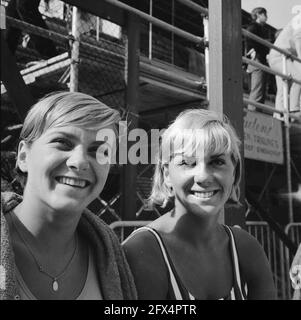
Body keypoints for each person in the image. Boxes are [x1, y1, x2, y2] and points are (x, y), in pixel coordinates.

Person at [123, 109, 276, 300]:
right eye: (187, 163)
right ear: (167, 174)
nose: (203, 176)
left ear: (234, 173)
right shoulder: (141, 251)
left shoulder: (246, 248)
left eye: (217, 161)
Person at [0, 91, 137, 300]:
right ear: (23, 156)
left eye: (98, 151)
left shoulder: (110, 254)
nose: (80, 161)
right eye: (63, 143)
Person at [268, 6, 301, 119]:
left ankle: (278, 115)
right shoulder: (299, 19)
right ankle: (294, 108)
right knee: (299, 78)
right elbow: (298, 39)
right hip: (280, 56)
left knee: (282, 87)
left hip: (280, 56)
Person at [245, 7, 270, 109]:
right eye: (265, 14)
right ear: (259, 14)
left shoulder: (261, 28)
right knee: (257, 89)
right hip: (257, 59)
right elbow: (249, 39)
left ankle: (257, 113)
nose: (267, 17)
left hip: (261, 60)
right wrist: (252, 50)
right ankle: (253, 114)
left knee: (261, 90)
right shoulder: (253, 27)